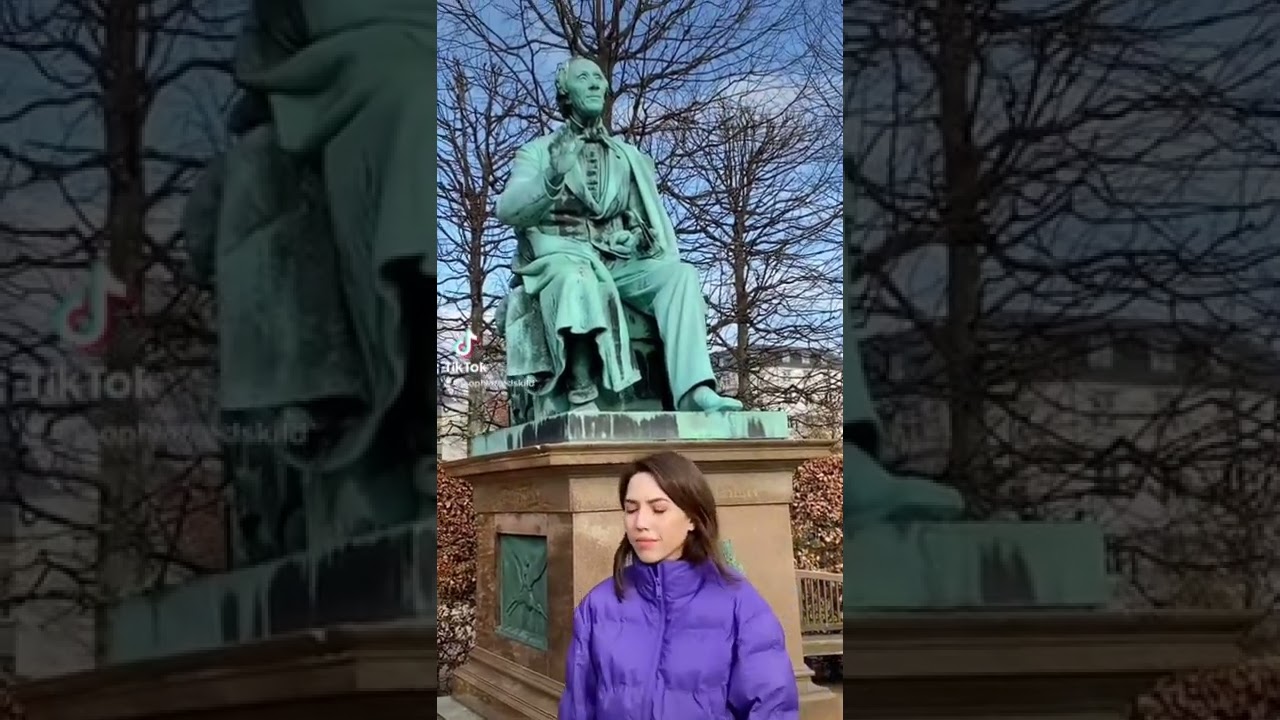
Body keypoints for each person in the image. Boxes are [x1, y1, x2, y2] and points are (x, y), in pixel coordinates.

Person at [495, 56, 743, 414]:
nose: (596, 84)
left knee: (680, 276)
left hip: (617, 263)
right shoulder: (537, 152)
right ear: (565, 93)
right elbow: (508, 210)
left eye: (599, 78)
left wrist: (635, 237)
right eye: (584, 78)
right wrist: (551, 175)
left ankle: (694, 392)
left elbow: (644, 226)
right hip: (561, 258)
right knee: (576, 277)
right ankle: (580, 393)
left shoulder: (627, 157)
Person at [558, 451, 799, 719]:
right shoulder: (598, 605)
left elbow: (771, 708)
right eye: (631, 509)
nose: (640, 523)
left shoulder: (741, 606)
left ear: (692, 518)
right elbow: (577, 707)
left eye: (658, 509)